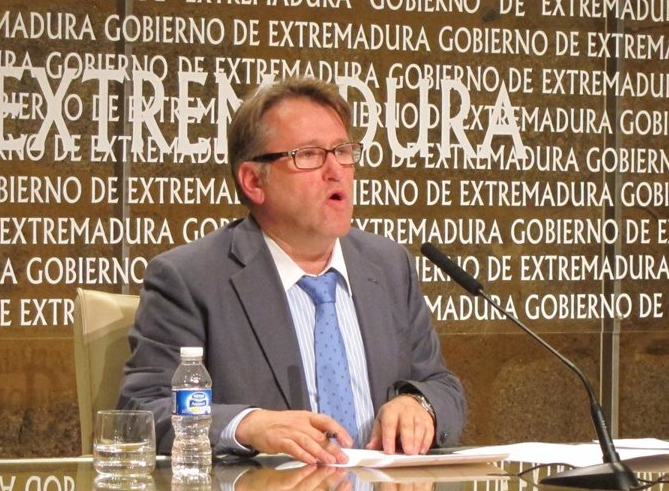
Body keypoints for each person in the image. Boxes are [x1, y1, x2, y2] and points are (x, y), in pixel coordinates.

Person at [119, 76, 466, 464]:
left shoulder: (388, 266)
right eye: (309, 155)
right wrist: (247, 425)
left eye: (343, 151)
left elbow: (440, 384)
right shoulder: (190, 279)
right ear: (254, 181)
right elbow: (143, 409)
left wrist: (420, 405)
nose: (336, 170)